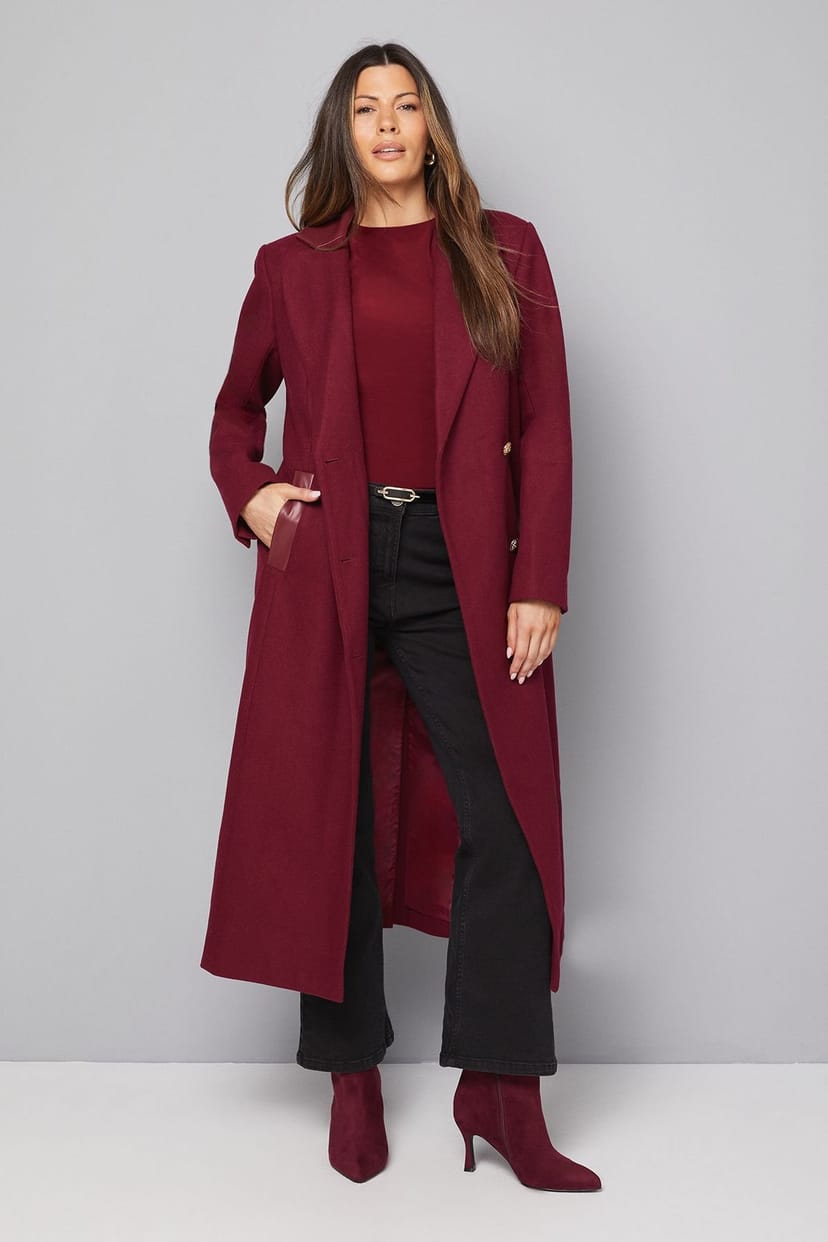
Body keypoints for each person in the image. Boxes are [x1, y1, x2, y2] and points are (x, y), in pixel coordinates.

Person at [203, 42, 601, 1191]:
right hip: (329, 558)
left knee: (505, 818)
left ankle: (503, 1089)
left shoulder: (505, 250)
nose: (386, 124)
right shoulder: (292, 266)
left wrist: (540, 579)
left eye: (406, 105)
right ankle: (351, 1076)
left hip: (459, 562)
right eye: (366, 108)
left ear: (432, 127)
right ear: (345, 132)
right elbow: (234, 416)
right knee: (334, 817)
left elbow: (549, 420)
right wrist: (255, 494)